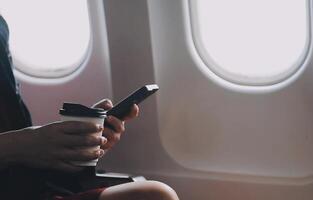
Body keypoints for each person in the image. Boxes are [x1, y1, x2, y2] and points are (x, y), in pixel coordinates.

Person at [0, 14, 179, 200]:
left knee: (155, 196)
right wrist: (19, 145)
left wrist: (74, 145)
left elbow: (19, 136)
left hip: (28, 184)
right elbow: (21, 145)